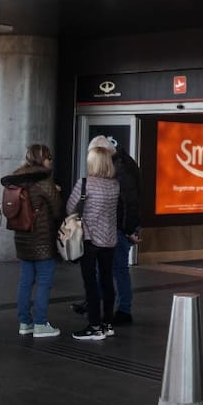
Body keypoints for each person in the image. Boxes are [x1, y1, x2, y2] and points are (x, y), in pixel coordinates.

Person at [67, 144, 122, 340]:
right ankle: (107, 324)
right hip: (109, 239)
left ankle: (94, 325)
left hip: (89, 239)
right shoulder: (115, 185)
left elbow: (70, 208)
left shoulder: (85, 183)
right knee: (107, 281)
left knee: (90, 283)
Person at [7, 144, 62, 338]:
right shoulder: (44, 180)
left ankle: (25, 322)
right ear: (41, 159)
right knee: (44, 281)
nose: (50, 161)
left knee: (25, 281)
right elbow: (57, 210)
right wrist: (56, 191)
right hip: (42, 239)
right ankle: (40, 323)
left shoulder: (16, 179)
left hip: (22, 237)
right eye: (48, 158)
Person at [88, 134, 142, 324]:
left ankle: (123, 310)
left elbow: (130, 203)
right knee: (112, 269)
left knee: (118, 269)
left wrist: (128, 230)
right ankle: (102, 304)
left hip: (120, 227)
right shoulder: (122, 164)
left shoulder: (120, 170)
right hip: (118, 226)